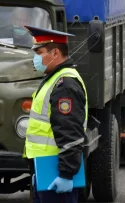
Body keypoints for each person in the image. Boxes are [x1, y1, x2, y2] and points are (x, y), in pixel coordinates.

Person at [22, 25, 88, 203]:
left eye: (40, 52)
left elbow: (70, 131)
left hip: (57, 174)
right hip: (46, 170)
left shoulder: (64, 85)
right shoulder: (54, 79)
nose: (36, 58)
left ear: (55, 53)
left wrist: (66, 174)